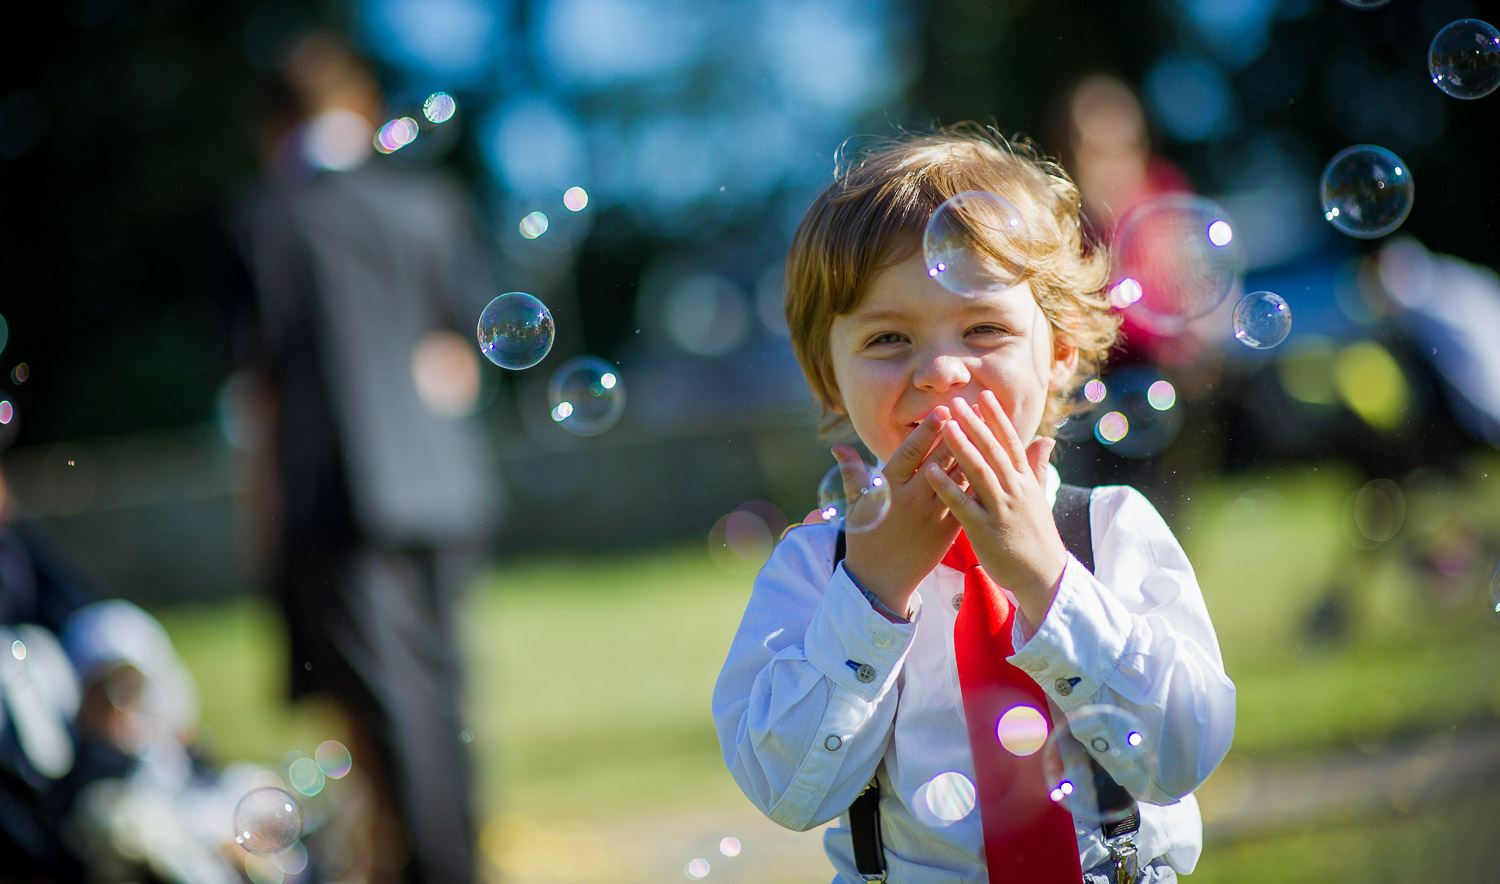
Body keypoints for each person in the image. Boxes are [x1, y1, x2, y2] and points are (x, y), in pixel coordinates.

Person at [712, 124, 1236, 883]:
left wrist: (1047, 582)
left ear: (1058, 353)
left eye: (984, 328)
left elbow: (1184, 751)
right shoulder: (817, 566)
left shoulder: (1111, 529)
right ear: (828, 378)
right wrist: (872, 596)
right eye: (888, 338)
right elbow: (787, 792)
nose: (941, 372)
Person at [219, 32, 501, 884]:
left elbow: (258, 392)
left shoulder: (260, 221)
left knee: (383, 711)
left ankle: (432, 870)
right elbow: (461, 364)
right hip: (447, 492)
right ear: (364, 113)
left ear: (274, 127)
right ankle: (458, 857)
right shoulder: (431, 207)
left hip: (339, 497)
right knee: (444, 697)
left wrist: (260, 514)